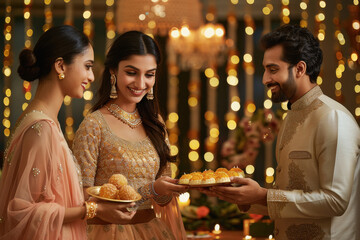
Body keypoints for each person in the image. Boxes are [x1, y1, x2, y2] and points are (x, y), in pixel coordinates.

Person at [200, 24, 360, 239]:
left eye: (273, 69)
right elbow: (292, 195)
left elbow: (336, 201)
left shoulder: (333, 118)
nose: (265, 79)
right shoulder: (290, 117)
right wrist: (245, 198)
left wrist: (263, 195)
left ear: (300, 69)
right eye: (265, 69)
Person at [0, 25, 136, 240]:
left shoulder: (42, 120)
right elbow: (25, 212)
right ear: (61, 66)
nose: (91, 76)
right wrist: (94, 210)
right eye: (87, 66)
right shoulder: (41, 127)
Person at [72, 30, 188, 240]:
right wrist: (149, 190)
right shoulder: (94, 125)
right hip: (106, 232)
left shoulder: (156, 123)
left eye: (149, 74)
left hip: (152, 230)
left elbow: (162, 197)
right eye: (132, 72)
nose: (141, 83)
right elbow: (81, 194)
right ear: (113, 71)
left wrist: (165, 189)